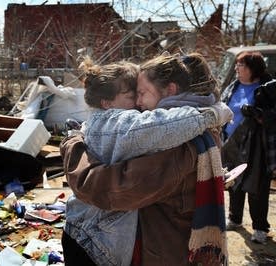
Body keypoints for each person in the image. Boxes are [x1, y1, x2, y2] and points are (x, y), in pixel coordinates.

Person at [62, 53, 231, 266]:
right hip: (169, 247)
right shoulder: (189, 130)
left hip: (161, 252)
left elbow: (103, 188)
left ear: (170, 90)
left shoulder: (175, 141)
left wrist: (73, 144)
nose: (138, 103)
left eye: (141, 93)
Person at [221, 51, 275, 244]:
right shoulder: (233, 86)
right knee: (233, 181)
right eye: (236, 64)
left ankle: (260, 227)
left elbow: (273, 116)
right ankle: (235, 218)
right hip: (231, 143)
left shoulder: (268, 89)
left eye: (241, 65)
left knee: (257, 186)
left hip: (256, 146)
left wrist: (258, 114)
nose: (236, 68)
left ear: (253, 68)